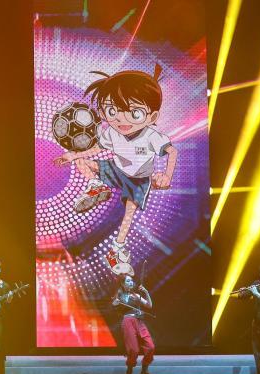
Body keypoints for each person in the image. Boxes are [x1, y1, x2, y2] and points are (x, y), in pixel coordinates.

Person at [54, 64, 178, 274]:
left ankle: (116, 249)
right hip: (116, 170)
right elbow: (97, 148)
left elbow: (172, 152)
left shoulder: (151, 136)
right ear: (104, 112)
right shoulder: (112, 133)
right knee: (82, 159)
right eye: (112, 111)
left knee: (129, 213)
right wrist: (72, 155)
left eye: (134, 113)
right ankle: (96, 186)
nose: (121, 119)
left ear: (152, 117)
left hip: (138, 179)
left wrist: (166, 176)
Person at [112, 274, 156, 374]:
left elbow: (149, 305)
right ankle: (129, 371)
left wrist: (146, 292)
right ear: (122, 284)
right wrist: (115, 303)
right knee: (133, 349)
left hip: (139, 321)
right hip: (128, 321)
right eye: (128, 281)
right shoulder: (119, 296)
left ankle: (144, 372)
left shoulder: (136, 295)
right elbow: (113, 304)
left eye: (131, 280)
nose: (131, 282)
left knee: (150, 347)